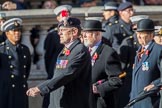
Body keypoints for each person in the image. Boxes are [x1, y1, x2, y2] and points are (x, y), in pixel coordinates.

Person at [26, 17, 92, 108]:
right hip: (59, 101)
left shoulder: (79, 50)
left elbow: (66, 74)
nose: (59, 33)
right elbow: (57, 75)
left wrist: (40, 88)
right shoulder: (66, 50)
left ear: (74, 32)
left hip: (71, 103)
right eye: (59, 30)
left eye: (63, 30)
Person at [82, 19, 125, 108]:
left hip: (99, 103)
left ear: (97, 34)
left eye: (88, 32)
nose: (84, 36)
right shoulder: (84, 51)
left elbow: (117, 80)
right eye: (84, 32)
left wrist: (99, 88)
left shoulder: (108, 53)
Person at [42, 5, 71, 108]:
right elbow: (48, 57)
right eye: (62, 15)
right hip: (55, 70)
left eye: (67, 14)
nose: (65, 17)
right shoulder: (53, 35)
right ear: (57, 18)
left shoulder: (75, 33)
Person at [130, 19, 162, 108]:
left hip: (150, 101)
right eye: (138, 33)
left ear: (151, 35)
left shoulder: (158, 50)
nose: (139, 36)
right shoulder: (139, 52)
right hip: (136, 101)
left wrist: (155, 84)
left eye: (142, 33)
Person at [0, 18, 31, 108]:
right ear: (7, 33)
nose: (17, 33)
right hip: (5, 91)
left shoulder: (25, 49)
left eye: (19, 31)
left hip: (21, 90)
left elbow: (26, 71)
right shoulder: (1, 49)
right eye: (14, 31)